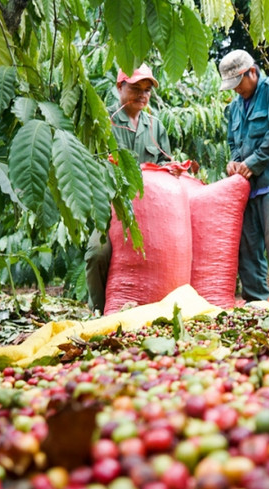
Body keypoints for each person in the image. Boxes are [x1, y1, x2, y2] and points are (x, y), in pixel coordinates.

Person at [86, 64, 184, 313]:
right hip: (111, 207)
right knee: (98, 253)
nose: (142, 94)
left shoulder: (155, 126)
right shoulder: (103, 121)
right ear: (120, 87)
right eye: (136, 88)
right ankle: (98, 311)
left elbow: (164, 164)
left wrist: (172, 169)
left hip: (149, 212)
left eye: (147, 90)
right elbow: (88, 162)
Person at [219, 49, 269, 302]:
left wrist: (253, 162)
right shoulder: (234, 107)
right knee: (248, 248)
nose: (236, 90)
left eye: (238, 83)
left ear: (252, 72)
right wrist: (234, 163)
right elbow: (232, 142)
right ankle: (256, 307)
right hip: (247, 187)